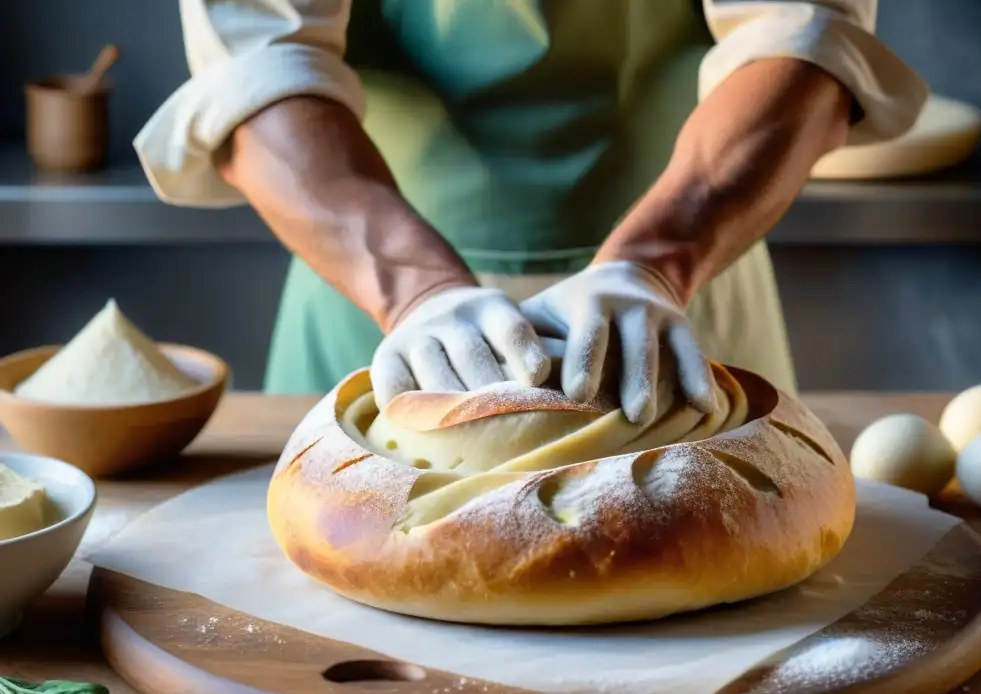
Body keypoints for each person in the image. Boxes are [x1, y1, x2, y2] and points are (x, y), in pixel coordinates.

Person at [137, 0, 926, 425]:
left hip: (682, 294)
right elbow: (255, 73)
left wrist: (651, 265)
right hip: (371, 304)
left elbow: (807, 40)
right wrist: (420, 294)